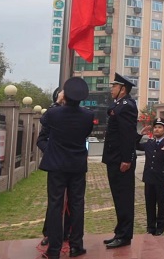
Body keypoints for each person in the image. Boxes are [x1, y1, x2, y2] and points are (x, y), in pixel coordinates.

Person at [37, 77, 94, 259]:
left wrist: (57, 101)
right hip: (77, 165)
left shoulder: (54, 113)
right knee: (77, 204)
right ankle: (76, 245)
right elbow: (85, 133)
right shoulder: (88, 116)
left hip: (57, 166)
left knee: (55, 205)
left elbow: (44, 120)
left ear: (65, 95)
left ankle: (54, 249)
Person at [101, 73, 140, 249]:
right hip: (114, 158)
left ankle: (124, 236)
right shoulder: (119, 105)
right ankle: (120, 232)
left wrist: (126, 159)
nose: (112, 89)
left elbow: (127, 135)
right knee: (118, 197)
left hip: (121, 160)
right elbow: (111, 110)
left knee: (124, 198)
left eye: (114, 86)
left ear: (123, 89)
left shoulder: (127, 106)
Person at [40, 86, 72, 247]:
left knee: (72, 201)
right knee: (55, 201)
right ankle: (50, 233)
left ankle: (68, 232)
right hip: (56, 164)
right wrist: (52, 151)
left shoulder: (77, 115)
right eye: (62, 99)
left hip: (73, 164)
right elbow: (41, 140)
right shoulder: (51, 117)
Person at [137, 118, 164, 236]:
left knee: (161, 204)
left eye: (159, 127)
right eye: (155, 127)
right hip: (149, 178)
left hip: (161, 179)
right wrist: (140, 134)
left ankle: (160, 228)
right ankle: (150, 227)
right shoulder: (149, 143)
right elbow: (135, 145)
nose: (156, 129)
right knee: (149, 204)